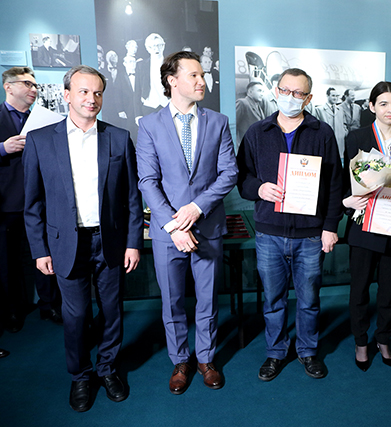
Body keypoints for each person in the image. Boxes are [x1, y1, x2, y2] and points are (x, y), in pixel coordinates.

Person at [23, 65, 143, 412]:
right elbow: (32, 204)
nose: (92, 99)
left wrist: (133, 242)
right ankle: (80, 375)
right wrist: (39, 250)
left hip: (111, 242)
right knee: (75, 316)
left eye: (98, 93)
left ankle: (107, 369)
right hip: (65, 242)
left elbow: (132, 198)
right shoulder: (40, 140)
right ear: (67, 96)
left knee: (112, 310)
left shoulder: (118, 137)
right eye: (84, 92)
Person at [137, 51, 238, 395]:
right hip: (168, 233)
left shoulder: (218, 122)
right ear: (172, 80)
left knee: (208, 299)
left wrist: (197, 207)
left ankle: (206, 359)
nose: (202, 81)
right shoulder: (149, 125)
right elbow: (147, 181)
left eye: (203, 75)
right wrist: (174, 226)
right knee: (173, 301)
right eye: (194, 75)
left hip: (207, 226)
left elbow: (229, 173)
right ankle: (181, 360)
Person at [237, 68, 342, 381]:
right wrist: (259, 189)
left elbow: (334, 184)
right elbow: (242, 178)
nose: (290, 97)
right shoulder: (257, 132)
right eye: (285, 90)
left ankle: (307, 351)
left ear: (308, 98)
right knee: (273, 300)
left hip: (310, 235)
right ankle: (276, 351)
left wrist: (330, 226)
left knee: (309, 300)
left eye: (298, 93)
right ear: (276, 90)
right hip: (269, 232)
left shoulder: (322, 133)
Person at [342, 81, 391, 371]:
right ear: (372, 106)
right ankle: (361, 341)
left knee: (388, 288)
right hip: (364, 223)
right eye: (383, 104)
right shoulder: (357, 137)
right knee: (359, 288)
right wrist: (348, 202)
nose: (390, 109)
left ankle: (383, 338)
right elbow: (344, 178)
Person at [1, 67, 62, 333]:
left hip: (41, 202)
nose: (33, 89)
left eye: (35, 85)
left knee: (46, 255)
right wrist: (3, 148)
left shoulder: (44, 120)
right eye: (27, 84)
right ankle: (13, 311)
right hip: (6, 203)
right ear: (8, 86)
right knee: (8, 261)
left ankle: (50, 306)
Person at [316, 87, 348, 156]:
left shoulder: (340, 109)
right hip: (326, 142)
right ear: (327, 96)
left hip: (340, 143)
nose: (335, 98)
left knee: (340, 160)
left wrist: (344, 132)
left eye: (337, 96)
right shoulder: (319, 110)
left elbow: (344, 123)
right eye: (333, 95)